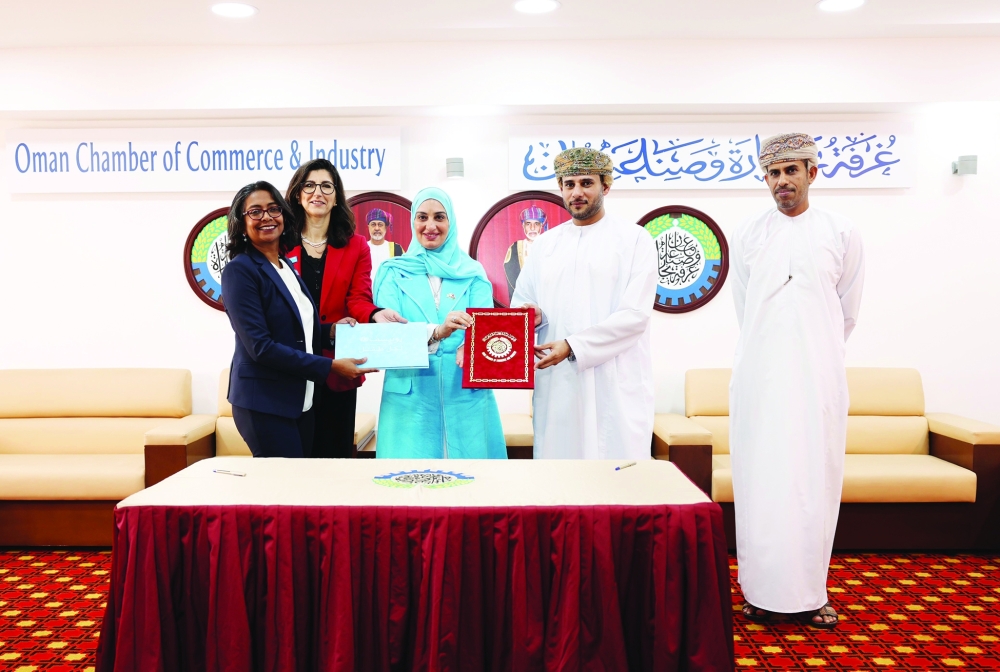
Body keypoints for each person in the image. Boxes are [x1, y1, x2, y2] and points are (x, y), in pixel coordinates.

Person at [730, 133, 865, 629]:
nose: (781, 181)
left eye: (791, 170)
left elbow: (847, 310)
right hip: (760, 377)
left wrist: (814, 349)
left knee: (813, 480)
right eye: (773, 173)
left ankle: (811, 593)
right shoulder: (748, 232)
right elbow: (745, 308)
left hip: (817, 377)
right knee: (761, 481)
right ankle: (759, 590)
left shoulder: (841, 231)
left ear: (812, 172)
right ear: (764, 178)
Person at [511, 148, 657, 460]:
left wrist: (574, 346)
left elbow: (634, 316)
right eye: (568, 184)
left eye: (586, 183)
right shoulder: (545, 245)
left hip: (613, 381)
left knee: (614, 479)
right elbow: (523, 302)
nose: (577, 192)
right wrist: (529, 315)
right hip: (557, 382)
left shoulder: (634, 239)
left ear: (606, 186)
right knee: (558, 475)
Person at [221, 181, 376, 458]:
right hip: (264, 403)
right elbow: (261, 347)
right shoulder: (240, 271)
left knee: (301, 486)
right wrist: (330, 366)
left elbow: (297, 329)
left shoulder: (283, 265)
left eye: (273, 209)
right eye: (255, 212)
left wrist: (330, 332)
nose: (267, 217)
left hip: (300, 400)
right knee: (283, 491)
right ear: (240, 223)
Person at [284, 159, 407, 459]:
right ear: (298, 194)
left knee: (333, 464)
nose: (318, 192)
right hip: (289, 368)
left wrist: (375, 314)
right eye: (310, 185)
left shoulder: (356, 246)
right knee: (289, 467)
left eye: (327, 186)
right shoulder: (279, 242)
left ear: (336, 195)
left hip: (337, 369)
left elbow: (358, 299)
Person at [372, 187, 506, 459]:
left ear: (451, 222)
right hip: (410, 398)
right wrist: (436, 333)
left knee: (470, 484)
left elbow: (486, 327)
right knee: (408, 485)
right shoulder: (393, 272)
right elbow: (389, 337)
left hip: (464, 392)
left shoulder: (472, 272)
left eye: (439, 217)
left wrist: (471, 346)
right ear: (413, 222)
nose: (430, 226)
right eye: (422, 217)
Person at [503, 206, 547, 298]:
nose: (532, 228)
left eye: (536, 224)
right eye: (528, 224)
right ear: (523, 226)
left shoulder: (549, 246)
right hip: (523, 298)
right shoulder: (515, 247)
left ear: (541, 225)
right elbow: (511, 274)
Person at [366, 208, 404, 281]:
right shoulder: (361, 248)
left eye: (380, 225)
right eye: (373, 224)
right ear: (368, 227)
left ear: (386, 227)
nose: (377, 228)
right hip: (365, 292)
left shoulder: (396, 249)